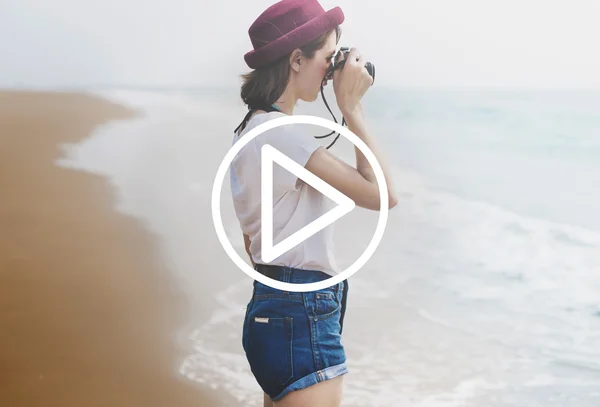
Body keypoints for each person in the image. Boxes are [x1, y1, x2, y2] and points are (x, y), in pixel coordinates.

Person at [230, 0, 398, 405]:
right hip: (302, 314)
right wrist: (352, 108)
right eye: (328, 58)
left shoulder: (253, 128)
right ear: (296, 60)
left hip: (273, 307)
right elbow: (383, 196)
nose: (331, 72)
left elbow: (253, 242)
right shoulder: (284, 136)